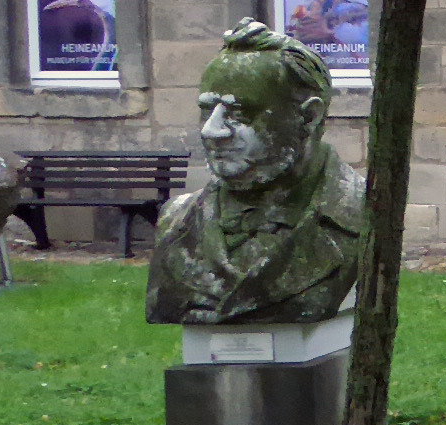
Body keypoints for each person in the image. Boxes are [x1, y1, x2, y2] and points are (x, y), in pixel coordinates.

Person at [145, 19, 367, 325]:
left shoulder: (363, 213)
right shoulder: (176, 221)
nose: (212, 131)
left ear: (308, 118)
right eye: (207, 110)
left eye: (239, 113)